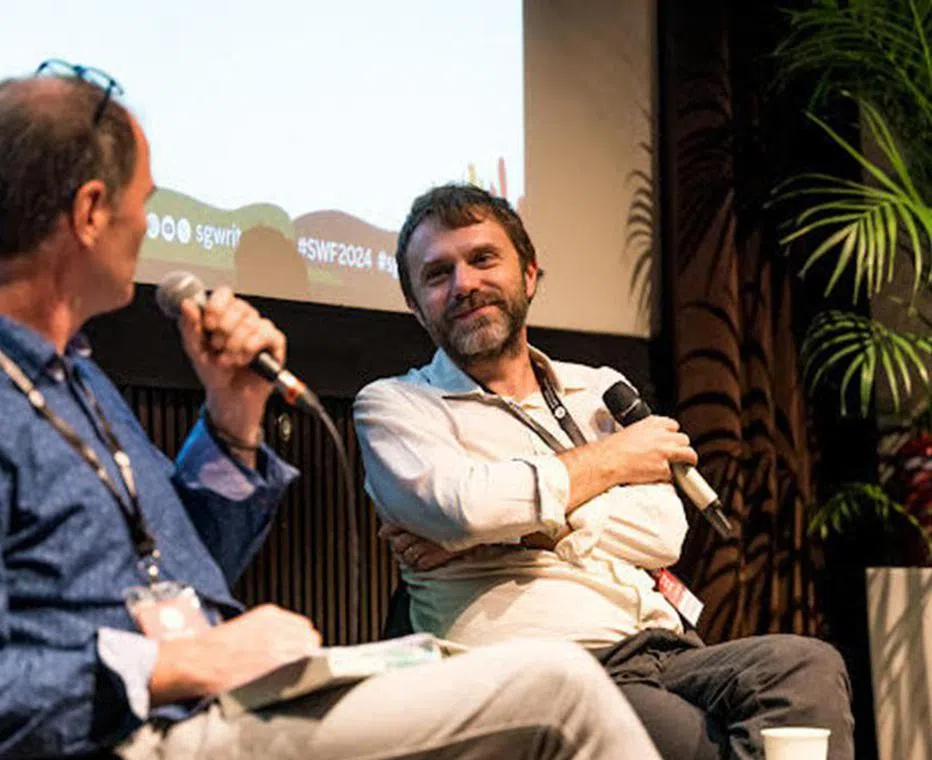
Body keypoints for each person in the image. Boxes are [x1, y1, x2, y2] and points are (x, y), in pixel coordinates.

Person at [0, 67, 664, 760]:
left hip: (207, 707)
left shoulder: (72, 383)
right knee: (557, 689)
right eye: (142, 201)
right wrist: (177, 662)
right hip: (138, 734)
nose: (146, 224)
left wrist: (233, 420)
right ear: (91, 212)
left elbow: (186, 568)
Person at [353, 183, 856, 760]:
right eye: (438, 274)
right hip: (538, 664)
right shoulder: (395, 405)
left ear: (530, 276)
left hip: (660, 646)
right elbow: (461, 507)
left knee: (807, 668)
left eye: (483, 259)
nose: (464, 284)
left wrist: (523, 526)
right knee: (694, 740)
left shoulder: (596, 388)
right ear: (416, 306)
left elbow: (662, 530)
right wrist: (611, 464)